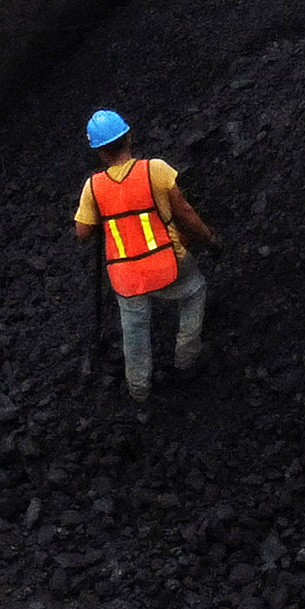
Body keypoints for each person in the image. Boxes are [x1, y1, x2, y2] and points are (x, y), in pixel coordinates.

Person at [75, 108, 220, 404]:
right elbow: (186, 213)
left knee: (134, 329)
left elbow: (83, 232)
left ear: (99, 152)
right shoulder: (155, 170)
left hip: (125, 276)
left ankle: (139, 389)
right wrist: (209, 238)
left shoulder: (93, 187)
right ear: (128, 137)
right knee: (194, 291)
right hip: (167, 262)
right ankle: (186, 357)